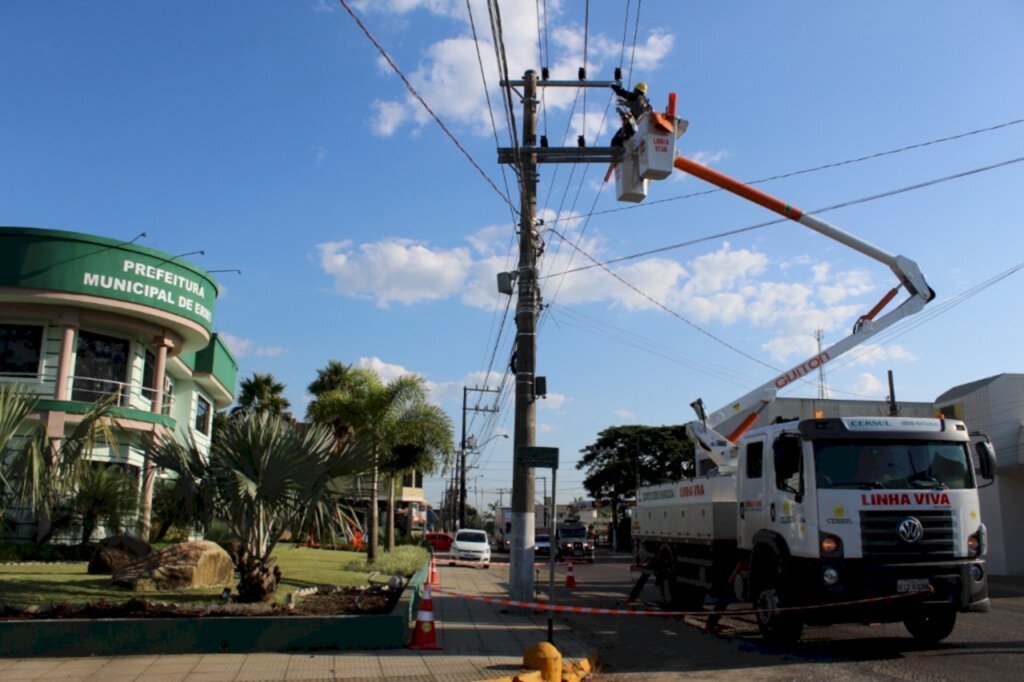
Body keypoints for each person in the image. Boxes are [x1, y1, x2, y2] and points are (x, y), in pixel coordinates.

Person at [610, 81, 653, 147]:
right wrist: (623, 103)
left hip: (633, 127)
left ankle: (616, 153)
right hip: (643, 131)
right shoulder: (647, 105)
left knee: (615, 141)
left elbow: (623, 93)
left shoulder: (637, 97)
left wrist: (615, 87)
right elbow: (633, 105)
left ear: (636, 90)